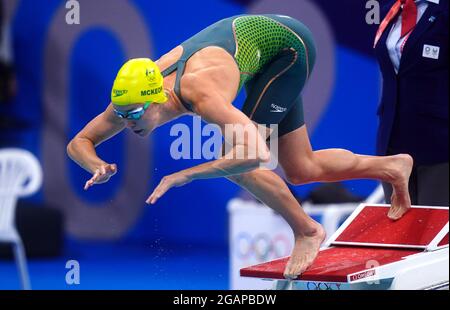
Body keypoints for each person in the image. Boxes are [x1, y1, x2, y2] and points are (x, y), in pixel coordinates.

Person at [67, 14, 413, 279]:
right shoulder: (132, 98)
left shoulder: (201, 93)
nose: (126, 123)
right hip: (262, 51)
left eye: (134, 115)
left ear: (157, 100)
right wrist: (94, 164)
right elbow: (79, 142)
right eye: (122, 114)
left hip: (288, 50)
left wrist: (185, 175)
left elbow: (255, 155)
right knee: (301, 169)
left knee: (239, 165)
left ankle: (307, 230)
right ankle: (392, 166)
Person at [374, 0, 448, 206]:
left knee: (438, 232)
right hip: (393, 141)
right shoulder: (392, 7)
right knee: (400, 229)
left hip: (440, 142)